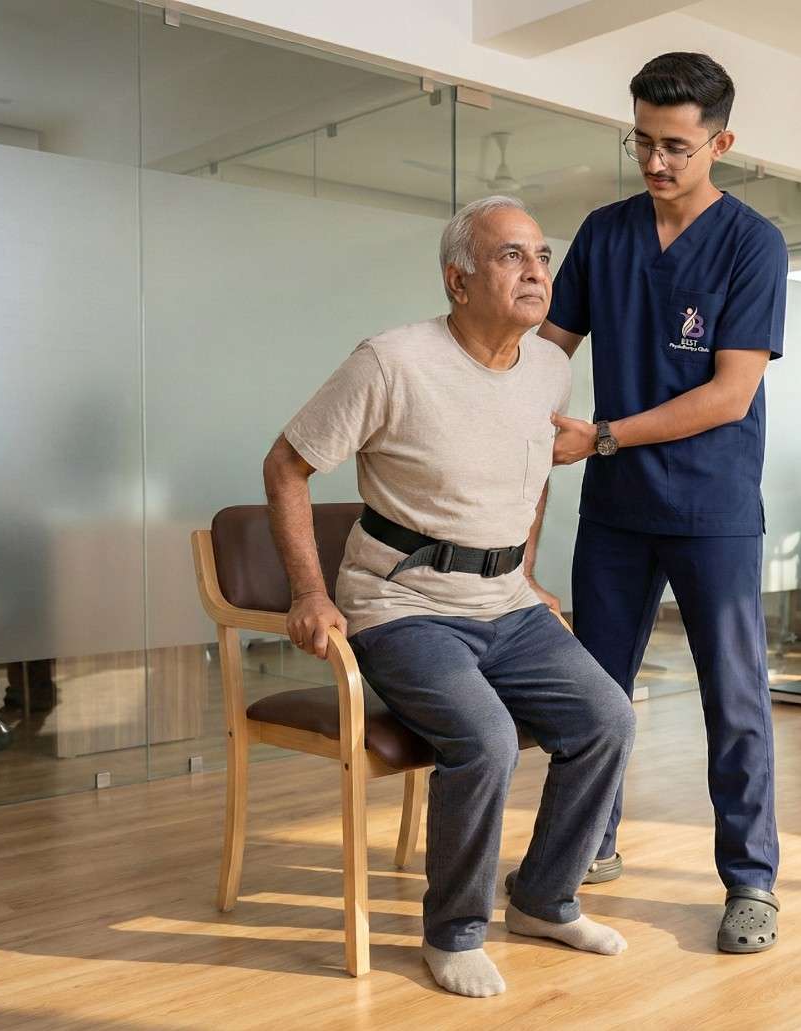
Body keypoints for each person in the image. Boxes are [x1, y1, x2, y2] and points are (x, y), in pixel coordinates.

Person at [262, 196, 635, 998]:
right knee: (487, 738)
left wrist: (526, 567)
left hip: (506, 603)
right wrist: (309, 590)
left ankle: (541, 898)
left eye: (541, 255)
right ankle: (454, 930)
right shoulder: (391, 360)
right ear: (457, 279)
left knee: (607, 718)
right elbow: (286, 464)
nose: (536, 270)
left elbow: (531, 476)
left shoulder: (550, 366)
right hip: (403, 608)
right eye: (512, 256)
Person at [534, 52, 788, 954]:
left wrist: (599, 435)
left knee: (735, 696)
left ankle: (750, 879)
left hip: (713, 507)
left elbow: (729, 395)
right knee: (592, 694)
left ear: (720, 142)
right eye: (641, 140)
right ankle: (586, 844)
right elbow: (546, 352)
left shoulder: (754, 244)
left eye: (675, 146)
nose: (654, 161)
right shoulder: (604, 234)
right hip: (615, 511)